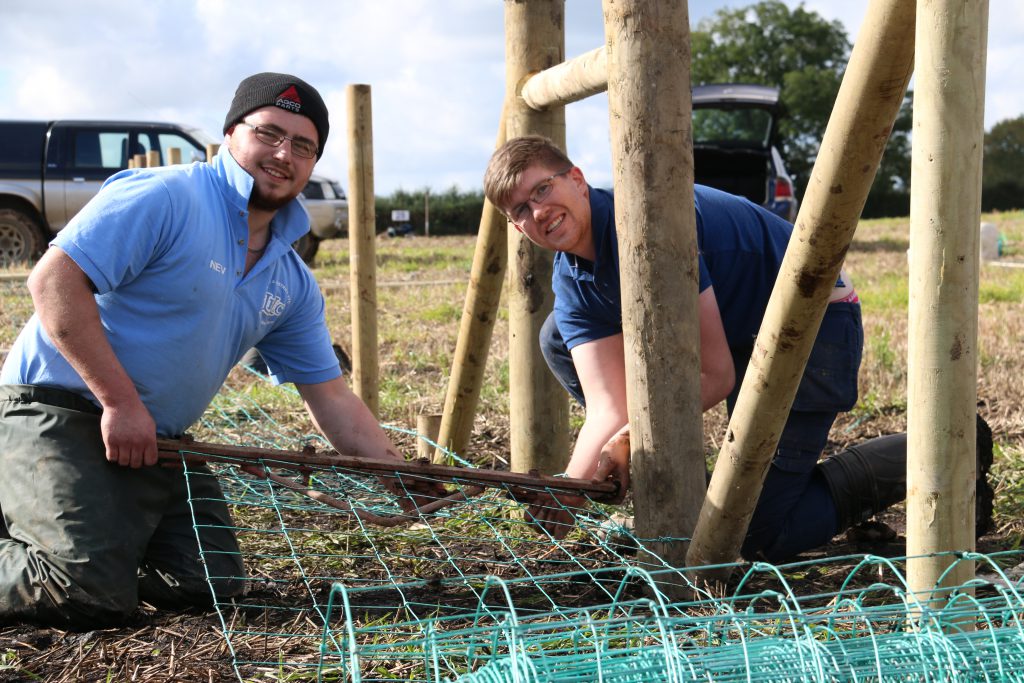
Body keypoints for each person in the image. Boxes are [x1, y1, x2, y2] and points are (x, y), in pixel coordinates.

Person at [0, 72, 438, 628]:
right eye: (269, 133)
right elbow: (53, 283)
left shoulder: (290, 277)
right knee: (85, 589)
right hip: (57, 410)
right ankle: (57, 529)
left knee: (206, 581)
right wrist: (119, 402)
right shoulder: (166, 196)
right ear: (232, 133)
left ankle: (65, 525)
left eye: (303, 146)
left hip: (155, 439)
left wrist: (397, 475)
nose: (284, 154)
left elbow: (330, 397)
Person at [483, 135, 992, 562]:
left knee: (752, 536)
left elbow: (713, 376)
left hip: (809, 329)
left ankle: (951, 445)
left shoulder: (645, 233)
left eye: (543, 188)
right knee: (558, 337)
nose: (538, 212)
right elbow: (608, 403)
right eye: (520, 210)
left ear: (575, 176)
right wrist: (571, 488)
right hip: (739, 332)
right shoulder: (571, 275)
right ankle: (710, 490)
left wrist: (631, 438)